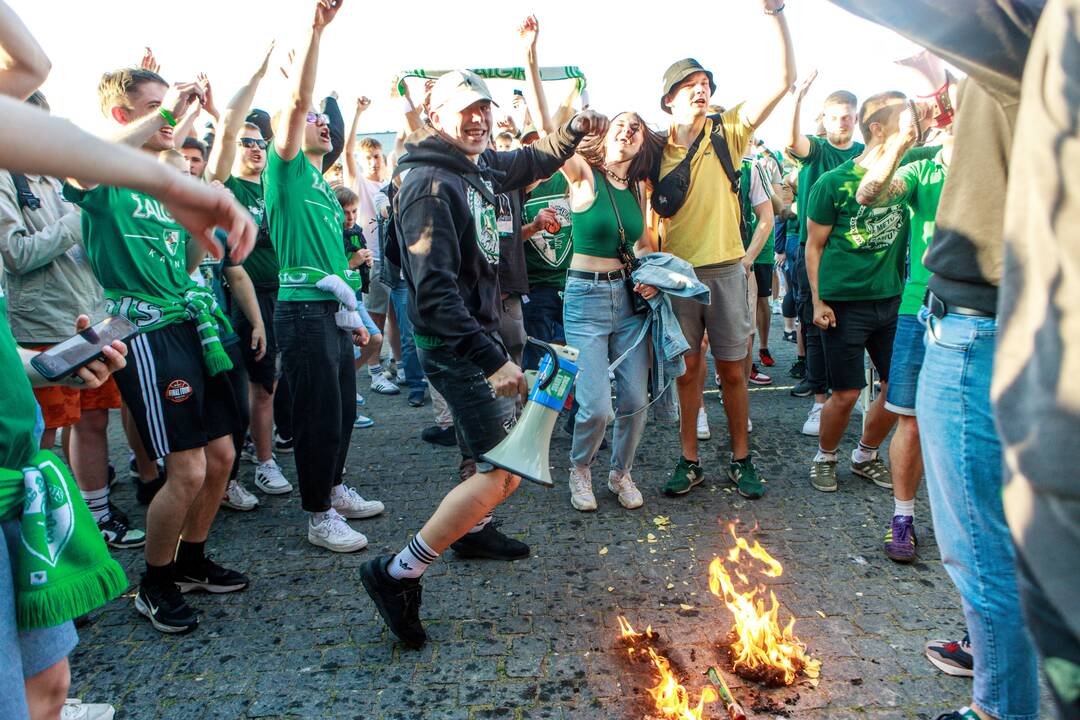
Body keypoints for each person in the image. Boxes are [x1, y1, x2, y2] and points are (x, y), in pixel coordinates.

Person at [824, 5, 1043, 720]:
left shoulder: (1044, 29)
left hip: (980, 325)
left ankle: (998, 707)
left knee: (980, 547)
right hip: (1006, 316)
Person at [360, 69, 607, 648]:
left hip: (473, 336)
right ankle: (398, 572)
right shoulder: (429, 183)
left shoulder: (475, 166)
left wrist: (570, 130)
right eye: (464, 109)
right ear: (433, 113)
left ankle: (473, 531)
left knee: (486, 462)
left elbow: (529, 162)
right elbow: (433, 294)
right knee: (503, 471)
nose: (478, 119)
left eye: (485, 110)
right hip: (454, 347)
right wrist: (492, 359)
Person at [654, 0, 795, 500]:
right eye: (690, 86)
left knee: (733, 369)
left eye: (706, 84)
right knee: (688, 370)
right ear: (668, 99)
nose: (701, 90)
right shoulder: (655, 148)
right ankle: (689, 460)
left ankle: (741, 459)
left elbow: (782, 80)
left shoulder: (727, 132)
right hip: (676, 276)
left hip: (726, 270)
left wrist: (776, 14)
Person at [0, 92, 144, 551]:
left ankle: (95, 514)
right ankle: (38, 532)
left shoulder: (62, 176)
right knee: (40, 432)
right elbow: (17, 255)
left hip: (88, 317)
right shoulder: (6, 177)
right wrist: (81, 219)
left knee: (94, 419)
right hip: (40, 327)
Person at [263, 0, 383, 554]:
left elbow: (337, 261)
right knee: (318, 415)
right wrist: (315, 33)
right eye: (315, 118)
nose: (320, 122)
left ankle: (333, 488)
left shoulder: (320, 180)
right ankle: (319, 515)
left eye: (324, 121)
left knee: (341, 410)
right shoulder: (285, 169)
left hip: (332, 311)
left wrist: (355, 315)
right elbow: (295, 102)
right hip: (301, 310)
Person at [855, 54, 954, 564]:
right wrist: (899, 143)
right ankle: (903, 517)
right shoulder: (920, 165)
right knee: (909, 418)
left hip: (984, 309)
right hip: (923, 308)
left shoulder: (989, 157)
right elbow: (871, 193)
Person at [803, 92, 911, 494]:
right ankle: (825, 456)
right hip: (843, 305)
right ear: (879, 129)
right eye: (904, 124)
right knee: (847, 393)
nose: (912, 133)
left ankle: (865, 455)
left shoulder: (909, 170)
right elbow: (812, 246)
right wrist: (817, 300)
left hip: (892, 301)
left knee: (895, 390)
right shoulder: (833, 183)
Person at [559, 111, 662, 512]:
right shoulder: (585, 174)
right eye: (622, 123)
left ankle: (620, 473)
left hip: (629, 298)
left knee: (636, 399)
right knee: (597, 406)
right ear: (605, 136)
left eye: (636, 127)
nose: (629, 129)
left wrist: (650, 274)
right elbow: (556, 136)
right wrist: (533, 64)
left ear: (641, 143)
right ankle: (579, 467)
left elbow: (643, 246)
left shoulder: (637, 188)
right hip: (585, 299)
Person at [203, 44, 294, 497]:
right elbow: (225, 132)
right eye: (248, 142)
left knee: (270, 384)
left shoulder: (277, 183)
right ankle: (239, 470)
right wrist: (257, 74)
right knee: (240, 386)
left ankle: (265, 460)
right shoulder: (227, 184)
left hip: (283, 293)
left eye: (262, 142)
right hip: (242, 293)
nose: (256, 149)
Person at [779, 72, 863, 436]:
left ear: (856, 119)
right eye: (834, 116)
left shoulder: (864, 154)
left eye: (847, 116)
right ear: (825, 119)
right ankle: (818, 402)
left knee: (853, 323)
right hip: (810, 248)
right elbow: (791, 141)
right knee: (814, 323)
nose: (841, 122)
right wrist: (797, 100)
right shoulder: (817, 149)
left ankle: (846, 392)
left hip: (855, 251)